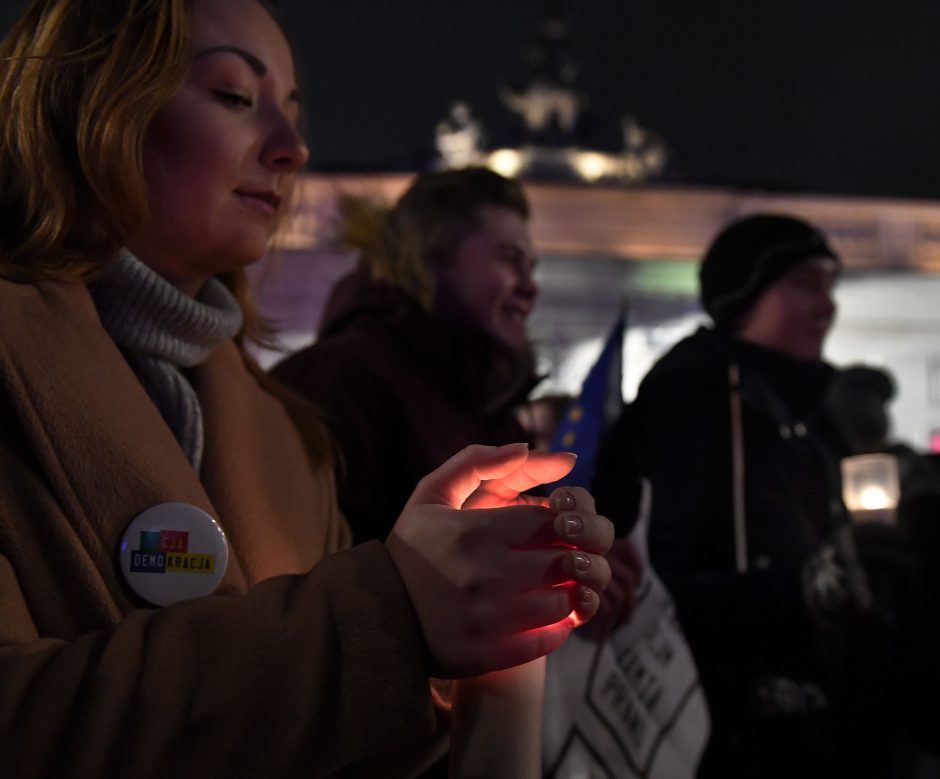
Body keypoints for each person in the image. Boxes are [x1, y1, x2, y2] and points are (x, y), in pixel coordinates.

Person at [0, 2, 616, 777]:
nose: (292, 149)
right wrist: (393, 613)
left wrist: (494, 632)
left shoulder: (290, 431)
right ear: (89, 107)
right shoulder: (333, 390)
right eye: (232, 94)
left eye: (293, 111)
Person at [594, 213, 910, 778]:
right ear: (745, 297)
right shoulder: (686, 404)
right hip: (725, 741)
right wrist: (805, 587)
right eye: (806, 284)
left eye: (831, 286)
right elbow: (649, 586)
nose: (827, 306)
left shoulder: (813, 416)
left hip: (822, 737)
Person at [272, 167, 541, 543]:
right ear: (432, 258)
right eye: (510, 259)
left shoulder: (482, 399)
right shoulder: (337, 379)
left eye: (532, 268)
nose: (531, 287)